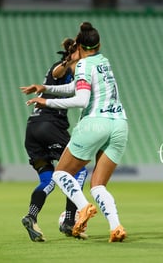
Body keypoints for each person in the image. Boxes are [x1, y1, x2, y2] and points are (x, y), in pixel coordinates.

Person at [21, 22, 128, 242]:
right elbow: (73, 86)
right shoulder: (104, 62)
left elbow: (81, 98)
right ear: (99, 44)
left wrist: (46, 100)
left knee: (60, 174)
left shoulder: (82, 65)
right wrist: (47, 89)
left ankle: (82, 208)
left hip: (93, 123)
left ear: (79, 45)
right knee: (98, 185)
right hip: (119, 124)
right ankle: (115, 227)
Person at [20, 38, 88, 242]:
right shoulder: (64, 68)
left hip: (32, 130)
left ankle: (31, 216)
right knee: (79, 169)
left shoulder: (73, 73)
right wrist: (68, 62)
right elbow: (58, 72)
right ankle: (69, 221)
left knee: (48, 180)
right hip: (50, 126)